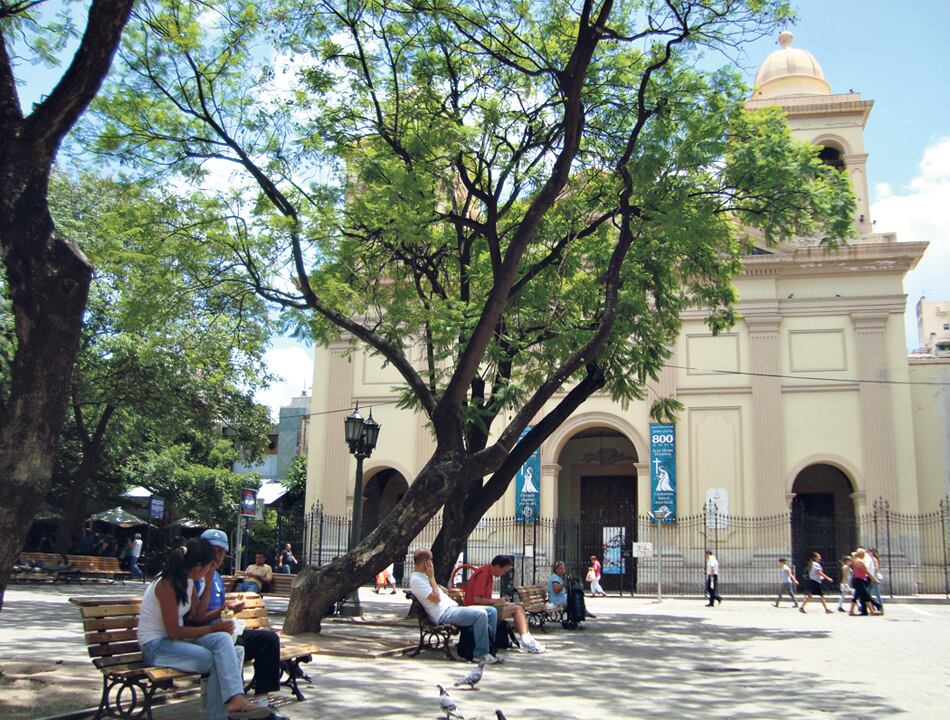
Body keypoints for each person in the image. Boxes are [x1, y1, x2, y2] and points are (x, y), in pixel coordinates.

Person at [137, 538, 271, 720]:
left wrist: (209, 585)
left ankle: (235, 699)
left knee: (225, 641)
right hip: (156, 646)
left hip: (175, 641)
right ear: (198, 566)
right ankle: (221, 713)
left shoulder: (189, 580)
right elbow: (173, 632)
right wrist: (213, 628)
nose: (210, 571)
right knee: (215, 658)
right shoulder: (166, 583)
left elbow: (198, 617)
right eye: (209, 567)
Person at [196, 529, 285, 698]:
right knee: (237, 645)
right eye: (212, 550)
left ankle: (261, 700)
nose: (216, 556)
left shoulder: (216, 577)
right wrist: (223, 612)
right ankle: (234, 698)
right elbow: (195, 616)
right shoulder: (194, 576)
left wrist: (229, 607)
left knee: (269, 640)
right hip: (206, 635)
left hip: (222, 630)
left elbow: (219, 607)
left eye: (221, 551)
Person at [408, 548, 501, 664]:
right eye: (431, 560)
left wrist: (432, 579)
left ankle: (490, 650)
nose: (432, 563)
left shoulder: (424, 576)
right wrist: (432, 577)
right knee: (480, 614)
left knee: (491, 611)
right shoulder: (416, 579)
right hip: (444, 614)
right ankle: (480, 654)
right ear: (426, 562)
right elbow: (436, 599)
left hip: (453, 609)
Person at [464, 555, 544, 653]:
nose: (503, 574)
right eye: (504, 571)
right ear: (497, 567)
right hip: (476, 610)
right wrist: (496, 601)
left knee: (518, 606)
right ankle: (526, 641)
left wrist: (500, 602)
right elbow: (476, 599)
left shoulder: (487, 573)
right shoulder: (483, 574)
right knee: (517, 609)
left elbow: (482, 598)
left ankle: (527, 638)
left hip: (483, 608)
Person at [849, 549, 882, 616]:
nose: (864, 556)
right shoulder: (860, 562)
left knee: (856, 596)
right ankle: (873, 610)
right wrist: (874, 579)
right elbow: (867, 572)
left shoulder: (855, 560)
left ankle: (851, 611)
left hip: (856, 580)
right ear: (861, 555)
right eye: (863, 554)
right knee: (866, 595)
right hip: (860, 581)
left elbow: (853, 555)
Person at [868, 548, 885, 615]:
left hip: (874, 578)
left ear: (872, 553)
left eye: (870, 552)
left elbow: (877, 568)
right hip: (871, 578)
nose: (868, 554)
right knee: (868, 593)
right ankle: (873, 607)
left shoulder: (874, 559)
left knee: (877, 594)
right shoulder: (869, 559)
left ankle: (880, 607)